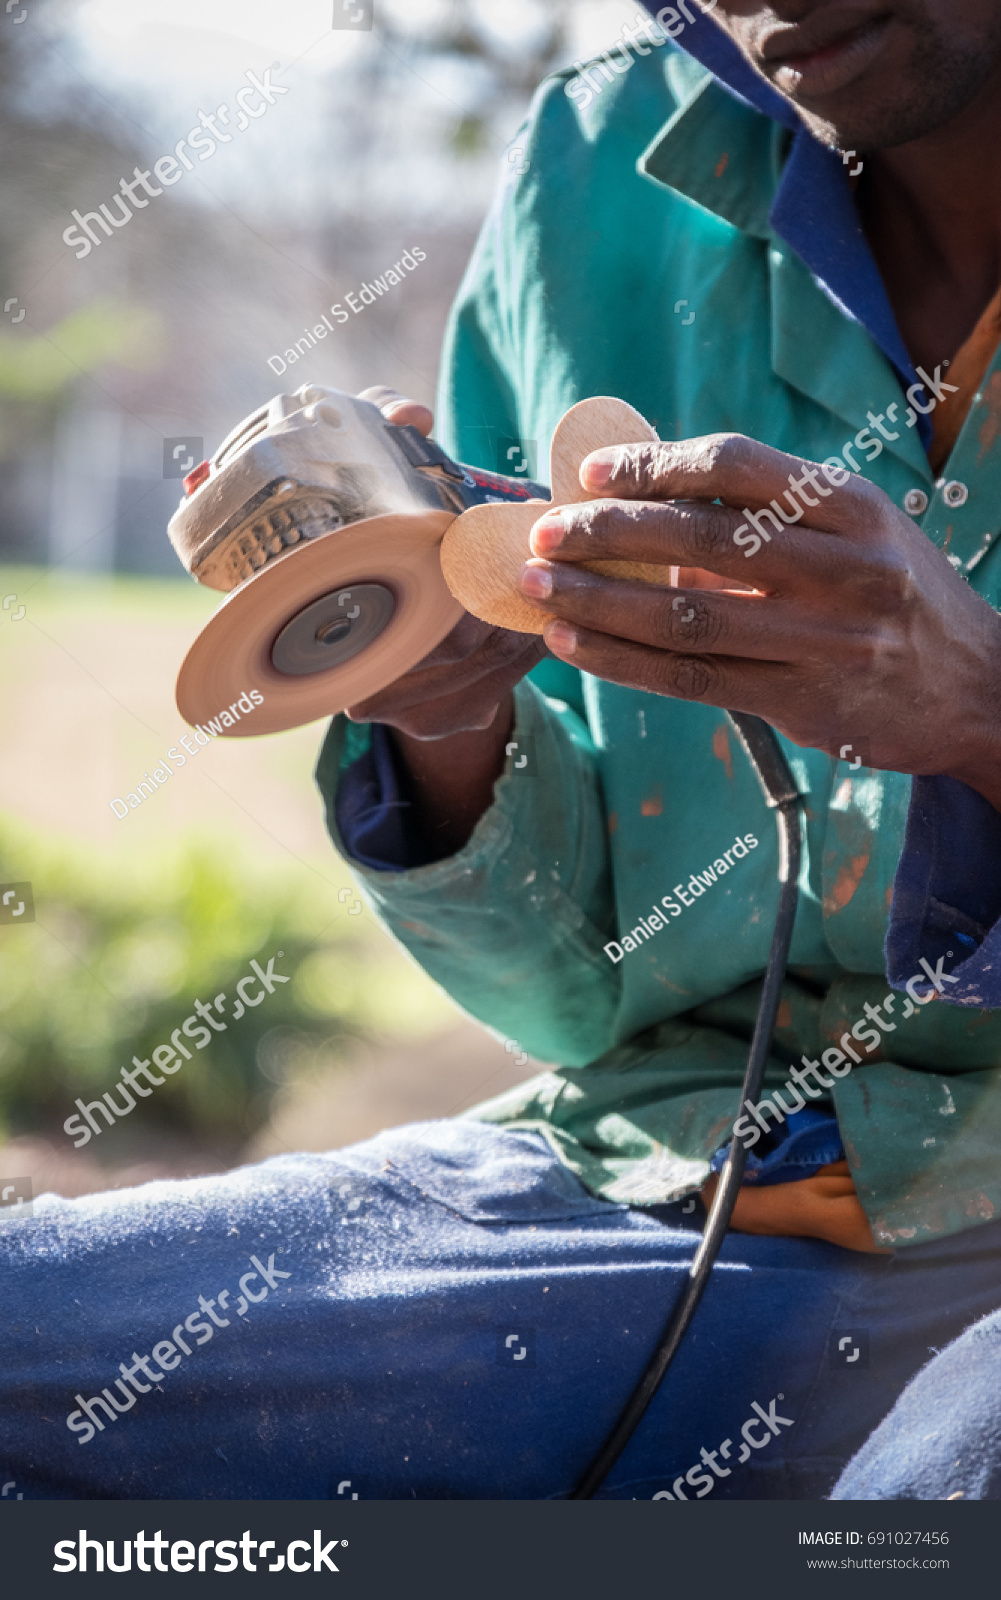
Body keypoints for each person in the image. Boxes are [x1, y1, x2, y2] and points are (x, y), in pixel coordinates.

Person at [5, 0, 1001, 1501]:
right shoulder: (592, 167)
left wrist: (978, 708)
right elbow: (573, 999)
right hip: (668, 1190)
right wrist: (452, 709)